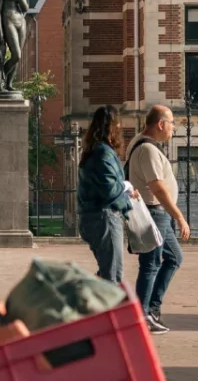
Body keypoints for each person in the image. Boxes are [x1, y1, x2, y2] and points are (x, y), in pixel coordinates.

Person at [127, 105, 188, 335]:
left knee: (174, 258)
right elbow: (158, 188)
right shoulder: (148, 150)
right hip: (154, 212)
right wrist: (179, 216)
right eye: (172, 122)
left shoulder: (142, 144)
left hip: (158, 213)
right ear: (160, 124)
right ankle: (143, 316)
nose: (174, 127)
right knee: (150, 265)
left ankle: (151, 309)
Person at [76, 105, 131, 284]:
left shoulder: (95, 150)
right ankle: (91, 305)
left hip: (96, 217)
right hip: (105, 217)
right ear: (112, 127)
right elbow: (110, 189)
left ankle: (87, 303)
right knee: (112, 276)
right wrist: (126, 188)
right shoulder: (103, 153)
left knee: (107, 272)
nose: (121, 128)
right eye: (118, 124)